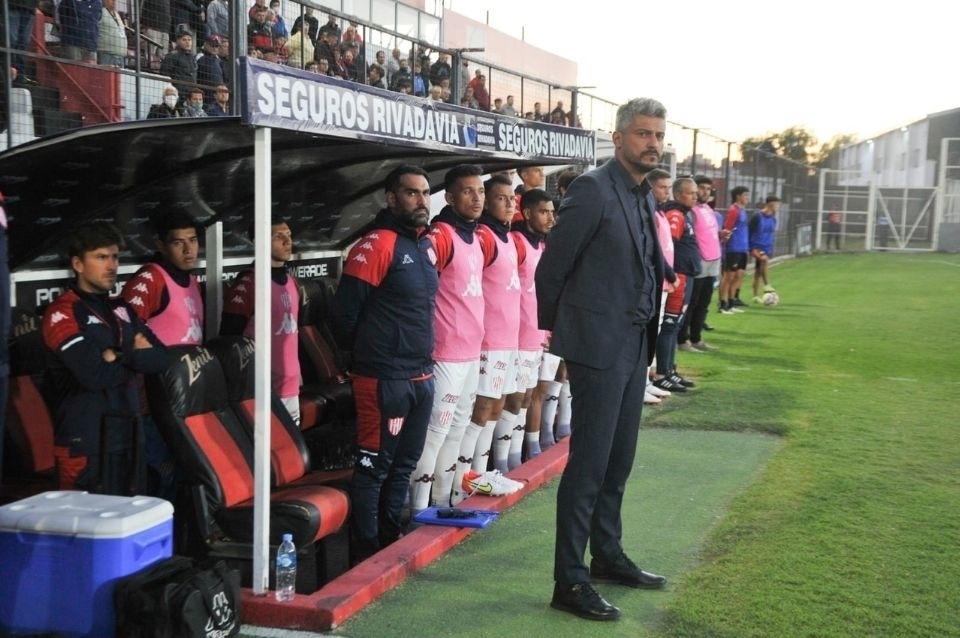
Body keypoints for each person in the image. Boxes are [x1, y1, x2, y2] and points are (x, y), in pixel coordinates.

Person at [536, 97, 669, 622]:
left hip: (634, 346)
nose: (653, 144)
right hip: (596, 348)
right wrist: (567, 340)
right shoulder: (593, 188)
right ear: (617, 138)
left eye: (658, 135)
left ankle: (607, 556)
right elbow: (552, 269)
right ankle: (569, 581)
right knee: (589, 467)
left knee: (619, 461)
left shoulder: (644, 194)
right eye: (643, 134)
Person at [332, 165, 438, 565]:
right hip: (383, 378)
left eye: (425, 193)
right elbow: (344, 314)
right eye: (412, 193)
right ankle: (365, 554)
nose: (422, 200)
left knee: (404, 465)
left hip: (421, 375)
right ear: (391, 198)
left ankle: (390, 541)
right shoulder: (377, 244)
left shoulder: (425, 245)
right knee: (374, 467)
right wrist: (364, 360)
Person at [42, 222, 169, 495]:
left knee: (134, 519)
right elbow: (94, 376)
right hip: (86, 444)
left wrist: (117, 355)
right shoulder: (62, 312)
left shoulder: (121, 308)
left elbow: (161, 359)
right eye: (101, 257)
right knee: (85, 522)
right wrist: (135, 355)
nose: (111, 265)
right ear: (78, 264)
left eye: (115, 257)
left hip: (129, 438)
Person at [408, 164, 490, 514]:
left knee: (457, 429)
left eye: (480, 191)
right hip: (445, 352)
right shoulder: (441, 235)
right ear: (451, 198)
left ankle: (443, 501)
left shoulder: (477, 236)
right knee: (436, 432)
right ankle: (417, 510)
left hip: (471, 351)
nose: (477, 198)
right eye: (468, 191)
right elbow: (419, 285)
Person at [221, 218, 302, 426]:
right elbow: (229, 343)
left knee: (291, 446)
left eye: (289, 235)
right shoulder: (249, 284)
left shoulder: (292, 282)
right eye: (278, 236)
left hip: (291, 388)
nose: (287, 241)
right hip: (259, 391)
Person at [509, 188, 556, 460]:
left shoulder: (543, 245)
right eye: (543, 212)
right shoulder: (516, 242)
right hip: (518, 334)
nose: (550, 218)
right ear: (527, 213)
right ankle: (505, 459)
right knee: (513, 399)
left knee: (531, 394)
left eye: (552, 212)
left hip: (539, 332)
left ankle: (522, 452)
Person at [677, 175, 724, 352]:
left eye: (708, 189)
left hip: (713, 260)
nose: (705, 192)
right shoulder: (691, 211)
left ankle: (696, 339)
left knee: (704, 303)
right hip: (699, 261)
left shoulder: (708, 210)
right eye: (701, 188)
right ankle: (683, 340)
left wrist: (721, 235)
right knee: (691, 303)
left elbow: (709, 233)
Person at [719, 186, 750, 314]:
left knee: (739, 275)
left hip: (743, 248)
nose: (747, 198)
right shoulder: (733, 210)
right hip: (733, 248)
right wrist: (725, 246)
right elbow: (727, 229)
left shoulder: (743, 210)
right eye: (745, 195)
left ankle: (732, 303)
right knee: (728, 277)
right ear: (738, 196)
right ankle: (722, 305)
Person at [749, 195, 780, 302]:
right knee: (764, 260)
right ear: (771, 204)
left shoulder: (773, 219)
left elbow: (770, 234)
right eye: (777, 204)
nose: (778, 207)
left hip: (766, 247)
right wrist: (751, 248)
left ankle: (755, 296)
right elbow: (749, 231)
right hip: (756, 246)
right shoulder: (757, 216)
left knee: (758, 271)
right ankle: (767, 285)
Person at [159, 29, 198, 101]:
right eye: (184, 40)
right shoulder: (172, 56)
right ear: (178, 41)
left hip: (191, 95)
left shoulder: (193, 58)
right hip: (177, 94)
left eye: (189, 40)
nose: (187, 42)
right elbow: (165, 74)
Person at [97, 0, 128, 68]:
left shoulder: (116, 14)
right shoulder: (100, 11)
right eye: (111, 0)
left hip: (120, 57)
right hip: (106, 55)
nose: (114, 2)